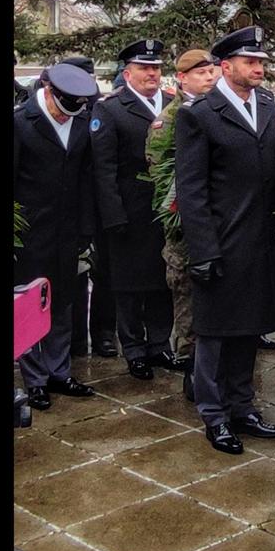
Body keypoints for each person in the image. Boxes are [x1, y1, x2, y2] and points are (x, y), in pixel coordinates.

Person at [174, 25, 275, 454]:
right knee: (216, 334)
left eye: (261, 61)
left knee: (250, 328)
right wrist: (203, 249)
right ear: (227, 66)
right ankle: (214, 414)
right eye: (251, 61)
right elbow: (191, 188)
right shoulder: (199, 114)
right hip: (221, 242)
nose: (259, 68)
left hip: (260, 240)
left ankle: (242, 406)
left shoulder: (264, 104)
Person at [90, 38, 178, 381]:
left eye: (156, 68)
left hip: (167, 208)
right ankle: (134, 349)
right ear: (127, 73)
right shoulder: (110, 109)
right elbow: (104, 168)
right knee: (129, 285)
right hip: (130, 211)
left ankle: (159, 344)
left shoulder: (173, 104)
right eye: (144, 68)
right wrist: (113, 216)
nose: (152, 74)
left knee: (163, 280)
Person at [14, 63, 98, 409]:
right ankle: (34, 380)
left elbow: (86, 178)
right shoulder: (20, 122)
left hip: (68, 231)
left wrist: (86, 229)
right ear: (49, 93)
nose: (67, 117)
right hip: (30, 232)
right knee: (33, 303)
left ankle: (59, 371)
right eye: (63, 109)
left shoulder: (79, 120)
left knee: (63, 300)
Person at [146, 49, 219, 398]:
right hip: (184, 233)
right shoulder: (169, 121)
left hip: (218, 228)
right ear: (182, 79)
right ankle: (192, 371)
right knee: (189, 305)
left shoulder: (217, 111)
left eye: (211, 70)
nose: (209, 77)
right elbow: (164, 183)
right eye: (200, 72)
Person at [61, 54, 119, 361]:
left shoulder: (98, 110)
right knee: (74, 273)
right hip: (70, 206)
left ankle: (103, 334)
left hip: (97, 205)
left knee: (102, 272)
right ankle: (74, 339)